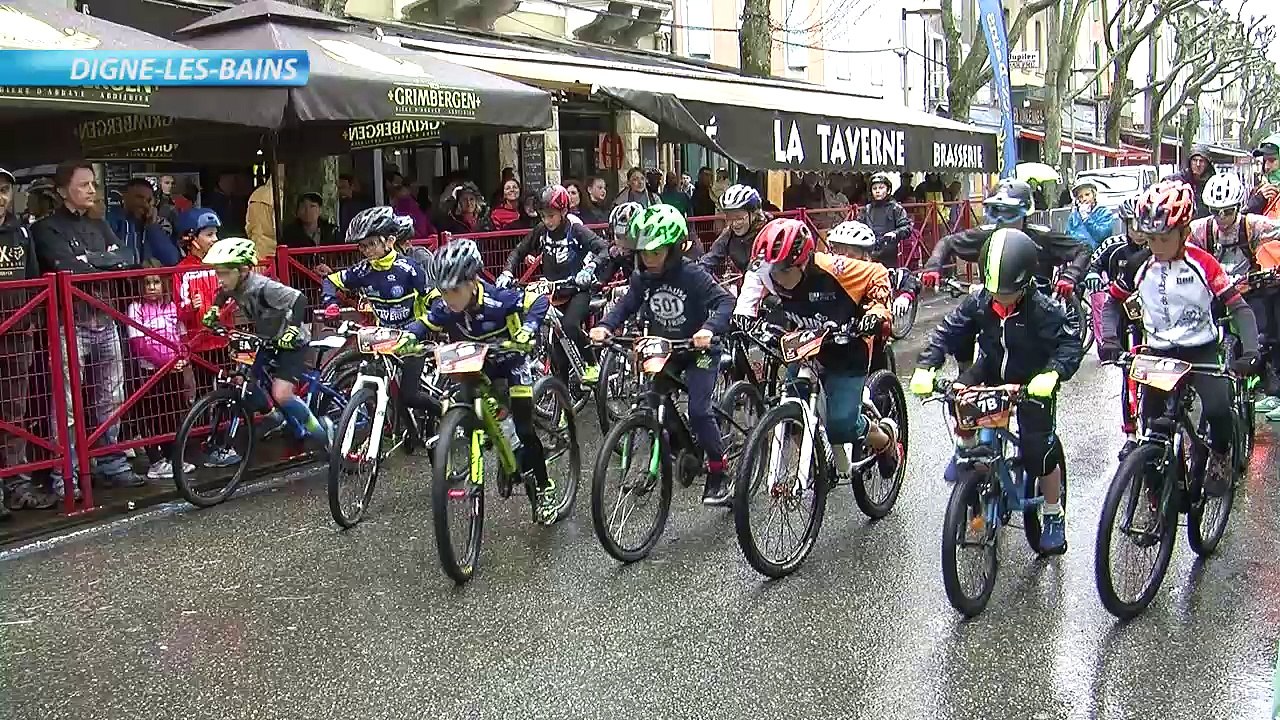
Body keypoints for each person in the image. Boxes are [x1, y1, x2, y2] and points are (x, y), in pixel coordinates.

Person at [911, 228, 1084, 553]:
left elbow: (1069, 343)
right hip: (990, 369)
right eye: (994, 292)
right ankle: (968, 452)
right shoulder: (979, 300)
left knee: (1039, 452)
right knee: (959, 395)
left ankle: (1052, 511)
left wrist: (1052, 374)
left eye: (1007, 293)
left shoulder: (1043, 309)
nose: (999, 300)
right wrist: (926, 366)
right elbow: (947, 332)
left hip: (1032, 381)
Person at [1100, 180, 1259, 498]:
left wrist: (1250, 352)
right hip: (1158, 351)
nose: (1156, 246)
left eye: (1165, 238)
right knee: (1151, 424)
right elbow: (1112, 304)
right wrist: (1108, 341)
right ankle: (1157, 492)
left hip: (1199, 348)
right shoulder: (1139, 264)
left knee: (1217, 407)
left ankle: (1219, 455)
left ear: (1184, 233)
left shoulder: (1203, 263)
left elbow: (1239, 309)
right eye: (1151, 238)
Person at [589, 204, 735, 505]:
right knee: (652, 399)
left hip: (699, 352)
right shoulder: (642, 278)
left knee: (698, 410)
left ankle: (719, 472)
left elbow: (725, 302)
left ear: (673, 250)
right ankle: (678, 447)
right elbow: (626, 305)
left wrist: (708, 329)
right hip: (666, 349)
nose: (649, 259)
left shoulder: (692, 275)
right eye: (644, 252)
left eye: (656, 252)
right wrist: (605, 325)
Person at [737, 218, 901, 482]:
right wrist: (743, 315)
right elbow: (752, 283)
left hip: (848, 348)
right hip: (804, 347)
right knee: (792, 410)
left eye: (785, 271)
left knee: (841, 426)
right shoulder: (765, 270)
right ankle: (817, 461)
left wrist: (877, 311)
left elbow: (878, 274)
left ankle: (884, 441)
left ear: (803, 262)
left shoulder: (835, 267)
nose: (777, 279)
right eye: (773, 271)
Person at [425, 239, 560, 524]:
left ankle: (546, 487)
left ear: (473, 282)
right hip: (475, 368)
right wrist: (404, 339)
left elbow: (538, 301)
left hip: (511, 364)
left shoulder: (499, 299)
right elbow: (423, 324)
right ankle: (491, 441)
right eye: (444, 291)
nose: (449, 299)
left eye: (455, 290)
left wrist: (527, 329)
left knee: (524, 429)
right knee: (461, 407)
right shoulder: (446, 307)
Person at [32, 160, 144, 496]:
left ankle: (111, 461)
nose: (92, 190)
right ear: (64, 190)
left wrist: (90, 260)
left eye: (93, 184)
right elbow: (66, 266)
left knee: (111, 395)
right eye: (84, 185)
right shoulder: (46, 228)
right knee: (66, 403)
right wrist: (100, 259)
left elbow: (127, 258)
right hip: (71, 322)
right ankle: (67, 473)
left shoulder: (100, 223)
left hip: (105, 318)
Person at [201, 237, 332, 450]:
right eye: (218, 273)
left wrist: (291, 329)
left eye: (224, 273)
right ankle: (275, 416)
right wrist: (215, 310)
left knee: (281, 392)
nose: (220, 279)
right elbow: (223, 293)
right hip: (268, 340)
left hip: (292, 342)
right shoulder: (234, 284)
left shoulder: (264, 287)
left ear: (243, 270)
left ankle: (318, 432)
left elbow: (299, 299)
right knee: (242, 380)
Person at [322, 207, 434, 410]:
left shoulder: (409, 268)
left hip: (414, 339)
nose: (367, 251)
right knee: (379, 391)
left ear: (390, 241)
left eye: (372, 244)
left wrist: (430, 321)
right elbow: (330, 281)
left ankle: (448, 414)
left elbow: (432, 297)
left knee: (409, 397)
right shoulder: (363, 270)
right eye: (362, 247)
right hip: (383, 340)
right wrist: (330, 304)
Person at [1188, 172, 1280, 421]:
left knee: (1266, 333)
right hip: (1214, 291)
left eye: (1227, 211)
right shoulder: (1200, 229)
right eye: (1215, 211)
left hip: (1250, 289)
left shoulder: (1252, 225)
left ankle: (1270, 381)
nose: (1222, 218)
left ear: (1238, 208)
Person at [920, 178, 1089, 310]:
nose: (1002, 219)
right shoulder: (985, 234)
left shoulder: (1043, 236)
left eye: (1009, 212)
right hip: (990, 307)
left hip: (1038, 311)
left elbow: (1083, 249)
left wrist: (1070, 276)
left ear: (1024, 213)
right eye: (996, 211)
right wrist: (933, 267)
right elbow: (948, 242)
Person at [497, 185, 608, 383]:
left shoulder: (576, 230)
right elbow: (519, 251)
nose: (547, 221)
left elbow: (603, 249)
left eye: (551, 215)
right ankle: (564, 410)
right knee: (559, 358)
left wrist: (590, 268)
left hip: (577, 291)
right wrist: (507, 272)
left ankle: (592, 363)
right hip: (552, 293)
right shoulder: (541, 230)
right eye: (543, 216)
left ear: (564, 211)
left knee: (570, 325)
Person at [1083, 198, 1148, 456]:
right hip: (1123, 315)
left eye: (1144, 224)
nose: (1139, 231)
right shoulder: (1114, 246)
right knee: (1127, 373)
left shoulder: (1160, 248)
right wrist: (1092, 277)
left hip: (1152, 320)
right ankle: (1130, 434)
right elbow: (1093, 265)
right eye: (1134, 225)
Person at [0, 168, 48, 515]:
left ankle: (16, 482)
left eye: (4, 190)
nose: (0, 196)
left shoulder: (20, 231)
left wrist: (29, 320)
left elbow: (33, 279)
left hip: (17, 334)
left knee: (15, 412)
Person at [126, 263, 195, 481]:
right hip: (150, 370)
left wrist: (183, 358)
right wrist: (166, 361)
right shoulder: (135, 307)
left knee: (172, 413)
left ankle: (172, 457)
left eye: (156, 282)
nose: (152, 287)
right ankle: (155, 461)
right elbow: (138, 343)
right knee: (152, 415)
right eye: (147, 283)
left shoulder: (172, 306)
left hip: (173, 368)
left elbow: (182, 335)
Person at [827, 219, 921, 322]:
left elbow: (908, 279)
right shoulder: (827, 268)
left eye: (850, 253)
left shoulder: (874, 272)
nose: (843, 258)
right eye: (837, 250)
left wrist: (905, 297)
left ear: (865, 256)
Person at [106, 178, 180, 266]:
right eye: (139, 198)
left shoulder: (154, 226)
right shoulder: (111, 222)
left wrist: (152, 226)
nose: (144, 204)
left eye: (148, 200)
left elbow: (171, 259)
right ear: (125, 196)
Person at [699, 184, 768, 277]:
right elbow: (710, 258)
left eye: (739, 218)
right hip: (746, 286)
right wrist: (697, 274)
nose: (734, 224)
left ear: (754, 214)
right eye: (729, 218)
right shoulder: (729, 234)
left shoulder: (769, 232)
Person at [855, 172, 913, 269]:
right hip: (870, 252)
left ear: (888, 189)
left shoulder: (895, 208)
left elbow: (906, 227)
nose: (877, 191)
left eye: (881, 188)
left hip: (889, 253)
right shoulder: (867, 209)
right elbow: (859, 226)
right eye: (874, 188)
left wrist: (895, 233)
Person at [596, 201, 644, 282]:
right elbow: (604, 278)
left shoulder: (647, 254)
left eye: (628, 237)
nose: (623, 243)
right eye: (619, 236)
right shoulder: (616, 252)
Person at [1065, 179, 1116, 251]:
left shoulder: (1103, 212)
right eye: (1080, 197)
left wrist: (1086, 219)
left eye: (1087, 195)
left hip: (1097, 253)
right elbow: (1068, 235)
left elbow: (1102, 236)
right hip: (1077, 251)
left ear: (1094, 195)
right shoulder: (1074, 215)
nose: (1084, 199)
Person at [1170, 144, 1217, 219]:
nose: (1198, 164)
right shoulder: (1180, 178)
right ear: (1190, 162)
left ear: (1207, 164)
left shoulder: (1213, 183)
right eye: (1195, 160)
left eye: (1201, 161)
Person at [1247, 134, 1280, 219]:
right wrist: (1259, 200)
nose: (1266, 166)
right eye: (1265, 161)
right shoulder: (1258, 191)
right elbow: (1245, 223)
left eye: (1272, 160)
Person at [245, 173, 277, 260]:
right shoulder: (282, 195)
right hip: (275, 253)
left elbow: (249, 227)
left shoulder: (256, 194)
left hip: (259, 253)